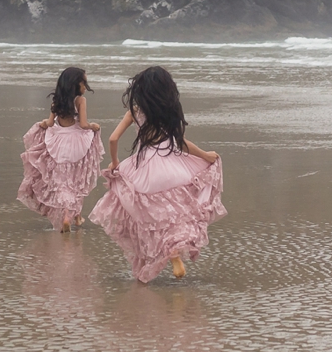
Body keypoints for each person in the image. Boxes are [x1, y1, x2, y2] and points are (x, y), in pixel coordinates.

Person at [91, 66, 225, 283]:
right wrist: (205, 155)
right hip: (172, 166)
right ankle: (174, 251)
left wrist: (116, 162)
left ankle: (161, 256)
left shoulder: (135, 112)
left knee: (146, 214)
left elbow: (113, 139)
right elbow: (181, 143)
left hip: (145, 169)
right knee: (175, 211)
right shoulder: (168, 112)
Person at [17, 66, 105, 233]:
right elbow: (84, 124)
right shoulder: (80, 101)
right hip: (76, 144)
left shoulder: (56, 100)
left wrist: (42, 124)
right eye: (84, 83)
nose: (85, 87)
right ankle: (68, 217)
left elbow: (50, 123)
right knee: (76, 180)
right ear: (75, 84)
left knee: (63, 181)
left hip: (57, 142)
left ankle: (74, 216)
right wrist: (94, 126)